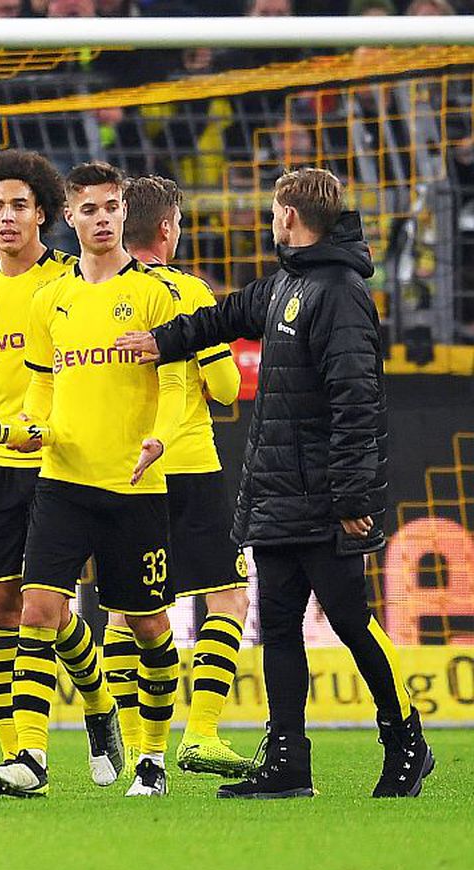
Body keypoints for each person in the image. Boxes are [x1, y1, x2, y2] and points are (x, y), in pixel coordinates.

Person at [116, 167, 434, 798]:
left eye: (272, 212)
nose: (268, 221)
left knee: (350, 618)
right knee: (280, 624)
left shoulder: (340, 292)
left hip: (324, 498)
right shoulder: (290, 282)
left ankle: (405, 741)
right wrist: (161, 340)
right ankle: (288, 759)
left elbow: (358, 403)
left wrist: (352, 500)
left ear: (290, 217)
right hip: (278, 495)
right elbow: (223, 315)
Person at [0, 161, 187, 798]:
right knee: (38, 609)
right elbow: (42, 386)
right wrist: (27, 429)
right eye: (89, 209)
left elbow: (177, 386)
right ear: (70, 216)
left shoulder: (157, 294)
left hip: (134, 483)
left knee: (147, 625)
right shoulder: (53, 299)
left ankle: (152, 756)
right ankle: (32, 760)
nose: (101, 219)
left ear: (125, 214)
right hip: (61, 481)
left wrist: (162, 438)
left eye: (111, 208)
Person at [0, 150, 123, 795]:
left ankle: (44, 747)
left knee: (40, 607)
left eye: (19, 204)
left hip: (56, 464)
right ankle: (21, 748)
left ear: (45, 213)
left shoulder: (69, 284)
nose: (6, 217)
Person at [103, 175, 250, 778]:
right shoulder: (186, 290)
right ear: (167, 229)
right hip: (187, 461)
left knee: (123, 608)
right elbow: (225, 386)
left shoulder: (94, 288)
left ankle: (139, 745)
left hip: (116, 469)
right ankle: (203, 733)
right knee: (228, 594)